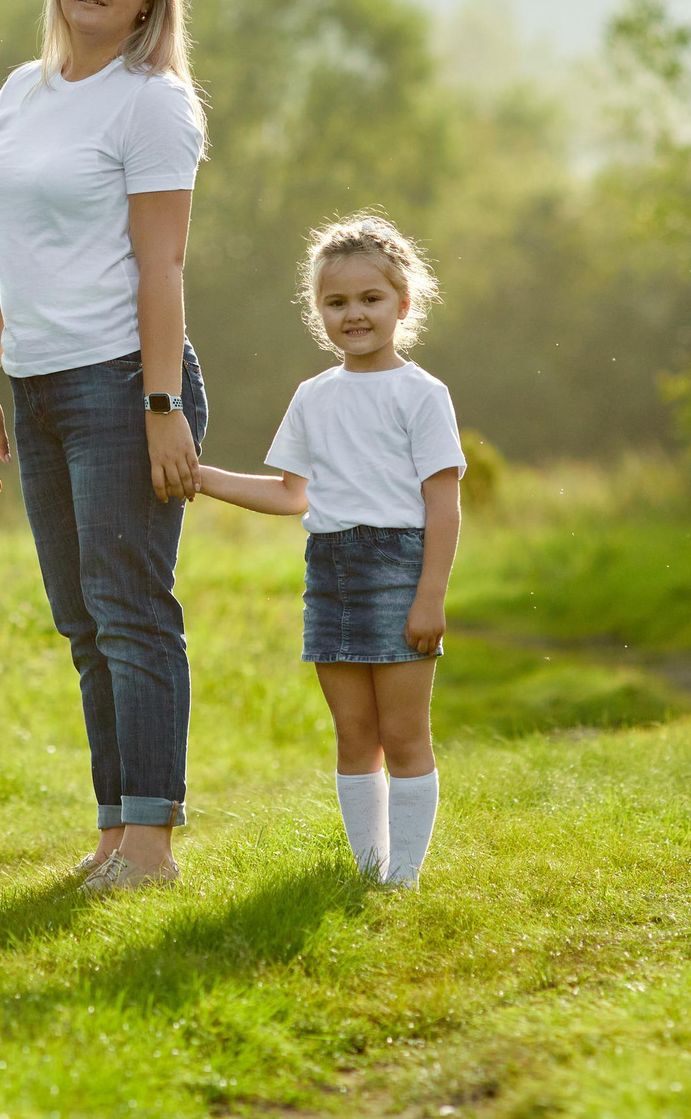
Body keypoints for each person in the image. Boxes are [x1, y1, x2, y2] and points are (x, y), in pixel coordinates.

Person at [0, 0, 210, 895]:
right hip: (37, 384)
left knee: (129, 612)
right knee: (80, 620)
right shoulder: (22, 91)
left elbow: (164, 264)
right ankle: (111, 833)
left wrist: (161, 406)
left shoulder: (151, 102)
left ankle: (150, 847)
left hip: (121, 382)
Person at [193, 212, 464, 888]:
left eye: (370, 298)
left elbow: (443, 503)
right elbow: (292, 495)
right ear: (318, 312)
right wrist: (200, 476)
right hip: (331, 573)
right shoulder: (313, 397)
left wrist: (430, 594)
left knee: (402, 735)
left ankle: (403, 877)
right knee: (354, 735)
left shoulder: (423, 394)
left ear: (403, 303)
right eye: (336, 302)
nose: (354, 314)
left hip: (401, 570)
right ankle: (367, 869)